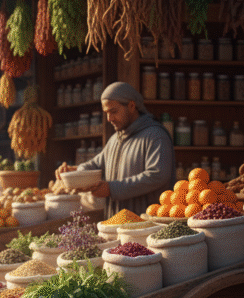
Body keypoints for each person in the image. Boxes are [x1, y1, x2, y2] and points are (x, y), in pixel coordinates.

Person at [56, 81, 175, 217]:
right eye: (106, 113)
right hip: (116, 224)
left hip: (147, 225)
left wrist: (111, 189)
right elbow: (95, 165)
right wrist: (74, 172)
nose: (109, 118)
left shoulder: (155, 135)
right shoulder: (115, 140)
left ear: (131, 106)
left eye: (114, 111)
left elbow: (157, 175)